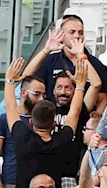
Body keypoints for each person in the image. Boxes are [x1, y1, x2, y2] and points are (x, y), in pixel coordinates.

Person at [5, 57, 87, 188]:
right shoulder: (62, 140)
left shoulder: (23, 137)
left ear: (31, 123)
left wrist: (9, 80)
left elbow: (10, 107)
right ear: (54, 123)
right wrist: (80, 85)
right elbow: (74, 112)